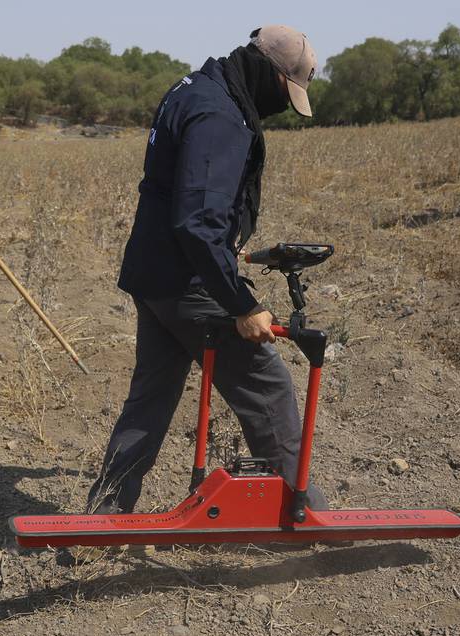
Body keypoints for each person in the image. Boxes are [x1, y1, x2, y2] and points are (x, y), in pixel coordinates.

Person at [87, 24, 327, 515]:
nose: (284, 106)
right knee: (268, 388)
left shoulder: (193, 88)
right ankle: (304, 514)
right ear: (271, 74)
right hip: (189, 280)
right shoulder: (221, 116)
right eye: (288, 92)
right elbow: (198, 222)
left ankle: (104, 517)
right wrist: (241, 302)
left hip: (155, 274)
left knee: (150, 399)